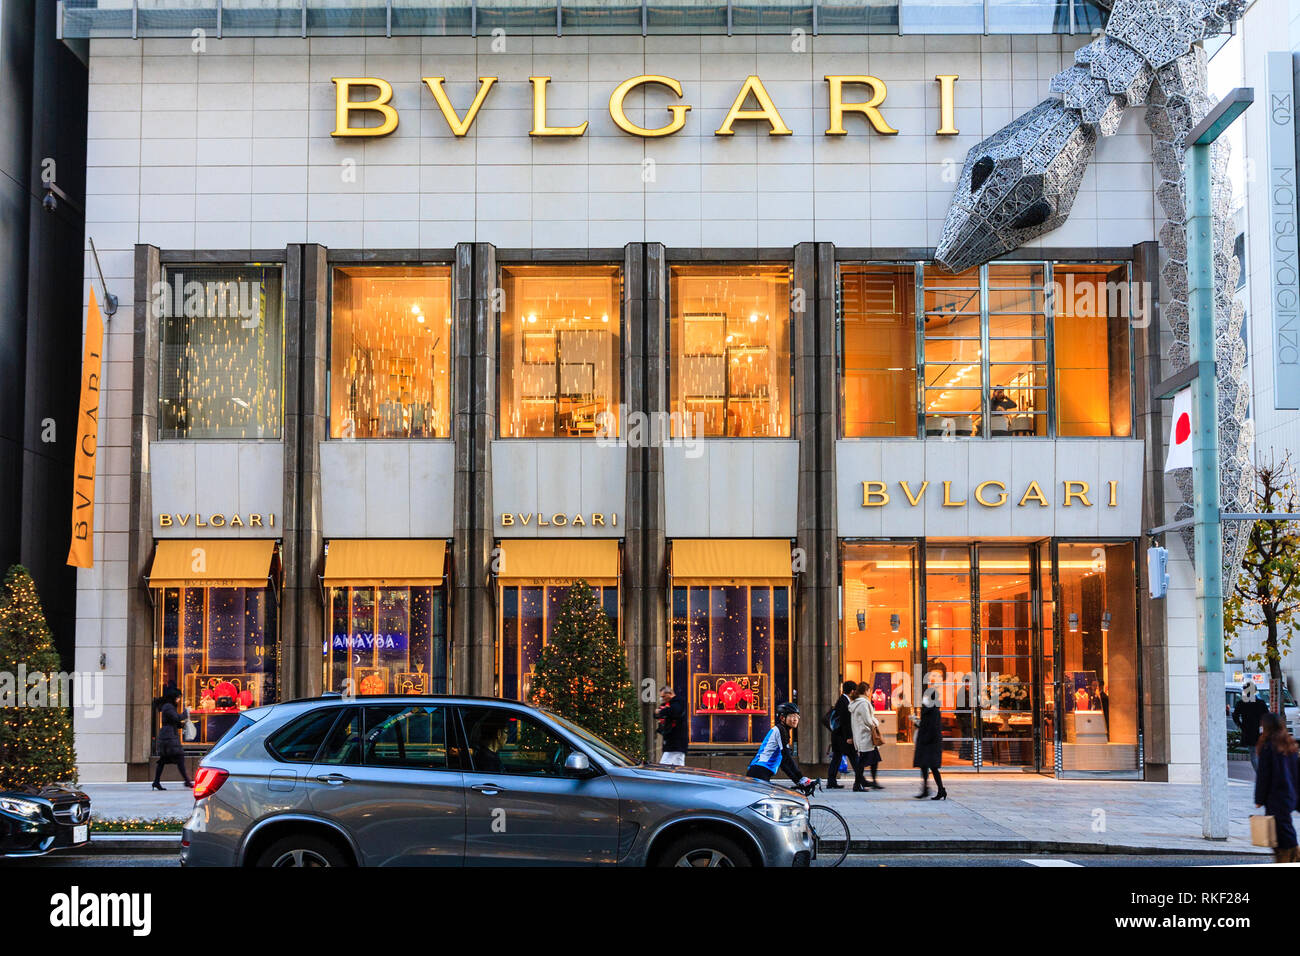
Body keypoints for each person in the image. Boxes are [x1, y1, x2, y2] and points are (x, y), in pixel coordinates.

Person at [1253, 711, 1300, 863]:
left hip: (1275, 796)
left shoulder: (1268, 748)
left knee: (1280, 831)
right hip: (1289, 795)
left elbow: (1263, 776)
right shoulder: (1290, 746)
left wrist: (1259, 798)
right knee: (1282, 827)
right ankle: (1289, 856)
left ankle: (1289, 857)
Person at [747, 702, 815, 793]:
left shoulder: (783, 731)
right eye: (792, 716)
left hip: (761, 771)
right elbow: (787, 757)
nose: (795, 719)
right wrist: (801, 778)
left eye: (797, 716)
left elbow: (783, 763)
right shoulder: (780, 730)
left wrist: (798, 781)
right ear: (782, 718)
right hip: (759, 771)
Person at [152, 686, 192, 791]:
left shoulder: (167, 706)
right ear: (174, 697)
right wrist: (186, 713)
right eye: (178, 697)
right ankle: (187, 781)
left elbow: (173, 720)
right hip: (169, 737)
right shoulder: (168, 707)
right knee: (179, 757)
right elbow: (176, 718)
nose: (179, 700)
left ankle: (156, 782)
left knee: (163, 760)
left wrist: (181, 725)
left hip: (167, 735)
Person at [912, 681, 946, 800]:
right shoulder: (930, 709)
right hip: (928, 742)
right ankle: (927, 789)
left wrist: (925, 738)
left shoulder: (932, 710)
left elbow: (932, 728)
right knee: (925, 766)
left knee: (932, 767)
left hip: (929, 743)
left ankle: (940, 789)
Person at [849, 681, 883, 791]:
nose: (870, 692)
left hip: (862, 736)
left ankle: (869, 782)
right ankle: (857, 784)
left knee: (873, 759)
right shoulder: (863, 703)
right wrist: (876, 723)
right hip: (866, 736)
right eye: (869, 690)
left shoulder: (856, 703)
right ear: (866, 691)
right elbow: (868, 720)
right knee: (862, 763)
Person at [1233, 681, 1269, 772]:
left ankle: (1260, 774)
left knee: (1253, 754)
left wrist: (1240, 725)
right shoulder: (1260, 703)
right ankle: (1263, 773)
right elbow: (1267, 716)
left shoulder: (1241, 703)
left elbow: (1235, 716)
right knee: (1262, 753)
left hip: (1248, 731)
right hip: (1261, 732)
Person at [826, 680, 856, 789]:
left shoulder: (842, 700)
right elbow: (845, 722)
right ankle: (860, 780)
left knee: (837, 758)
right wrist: (849, 736)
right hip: (841, 736)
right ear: (852, 691)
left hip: (837, 735)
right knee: (853, 757)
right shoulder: (844, 702)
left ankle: (831, 781)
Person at [655, 686, 688, 766]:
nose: (662, 698)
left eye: (663, 696)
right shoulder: (668, 704)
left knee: (665, 763)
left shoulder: (679, 702)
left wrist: (661, 712)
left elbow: (674, 711)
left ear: (670, 694)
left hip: (676, 740)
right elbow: (657, 714)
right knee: (679, 764)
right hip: (674, 741)